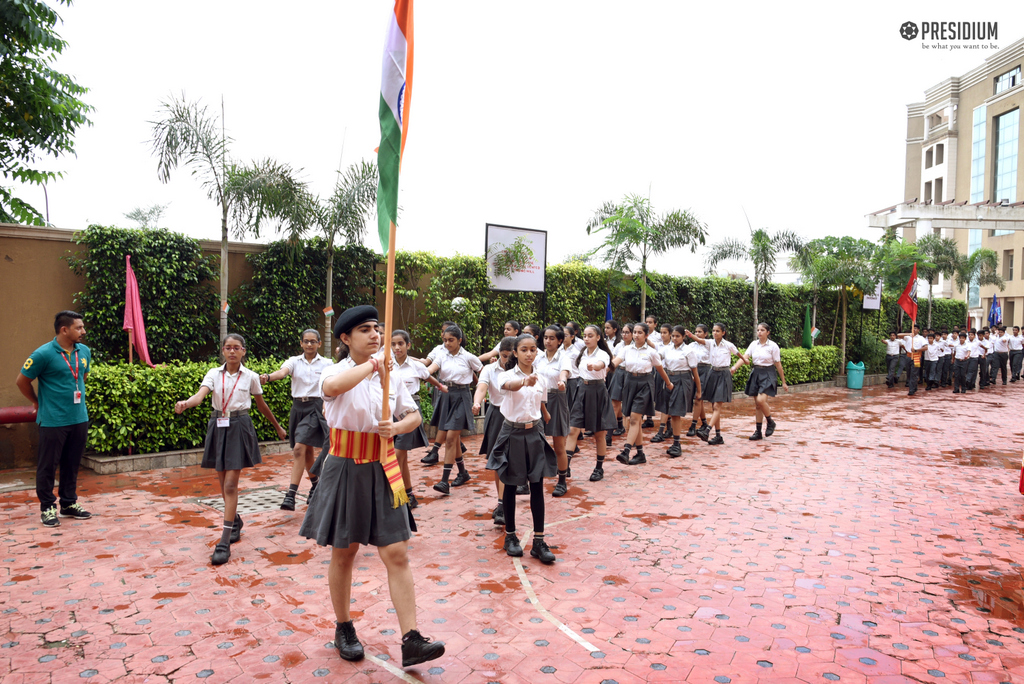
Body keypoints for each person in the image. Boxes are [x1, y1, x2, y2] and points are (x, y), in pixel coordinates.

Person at [299, 305, 445, 668]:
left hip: (383, 466)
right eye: (365, 330)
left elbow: (413, 414)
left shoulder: (391, 376)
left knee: (397, 552)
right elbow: (332, 388)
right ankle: (344, 626)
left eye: (376, 328)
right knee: (344, 552)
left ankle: (411, 639)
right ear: (346, 338)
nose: (375, 334)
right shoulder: (336, 370)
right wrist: (374, 365)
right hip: (344, 466)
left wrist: (397, 428)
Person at [175, 334, 287, 565]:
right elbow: (201, 395)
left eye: (237, 348)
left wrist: (277, 427)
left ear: (244, 351)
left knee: (230, 484)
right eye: (228, 347)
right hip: (218, 425)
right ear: (223, 351)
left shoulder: (252, 377)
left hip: (239, 425)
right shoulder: (213, 374)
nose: (232, 351)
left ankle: (224, 541)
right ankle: (234, 520)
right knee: (222, 481)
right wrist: (186, 403)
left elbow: (261, 405)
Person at [16, 311, 94, 527]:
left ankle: (69, 504)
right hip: (53, 420)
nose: (83, 331)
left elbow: (82, 377)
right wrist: (37, 402)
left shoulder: (84, 351)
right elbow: (22, 381)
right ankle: (48, 507)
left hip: (79, 418)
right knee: (48, 466)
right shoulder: (43, 354)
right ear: (64, 329)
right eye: (79, 328)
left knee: (72, 464)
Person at [486, 333, 558, 564]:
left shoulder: (542, 379)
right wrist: (524, 382)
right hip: (512, 432)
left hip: (534, 432)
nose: (529, 354)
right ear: (515, 353)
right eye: (524, 350)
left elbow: (541, 402)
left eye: (533, 349)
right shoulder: (506, 375)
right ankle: (510, 536)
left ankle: (539, 541)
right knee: (509, 483)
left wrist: (545, 416)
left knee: (537, 484)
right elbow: (509, 386)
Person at [260, 329, 333, 511]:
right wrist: (268, 377)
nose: (309, 344)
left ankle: (290, 495)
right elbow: (282, 372)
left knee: (299, 448)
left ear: (318, 343)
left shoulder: (327, 363)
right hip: (298, 407)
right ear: (301, 343)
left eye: (313, 341)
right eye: (306, 341)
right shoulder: (293, 361)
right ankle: (315, 485)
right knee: (306, 451)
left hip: (316, 407)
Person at [425, 324, 482, 495]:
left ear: (459, 340)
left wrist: (481, 394)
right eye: (445, 340)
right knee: (454, 439)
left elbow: (482, 372)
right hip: (446, 396)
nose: (447, 343)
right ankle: (463, 473)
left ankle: (444, 481)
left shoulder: (469, 357)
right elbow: (430, 370)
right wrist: (418, 372)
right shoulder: (442, 355)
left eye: (451, 340)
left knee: (450, 438)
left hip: (462, 396)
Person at [389, 329, 444, 509]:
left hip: (410, 412)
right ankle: (409, 495)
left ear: (408, 345)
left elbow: (429, 378)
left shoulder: (416, 365)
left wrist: (442, 387)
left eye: (400, 344)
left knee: (397, 456)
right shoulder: (387, 364)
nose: (397, 348)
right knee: (401, 458)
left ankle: (395, 495)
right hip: (391, 411)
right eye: (393, 344)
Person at [610, 322, 673, 465]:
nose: (636, 335)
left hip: (645, 384)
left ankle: (626, 450)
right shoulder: (626, 350)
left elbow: (660, 369)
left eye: (639, 333)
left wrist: (668, 384)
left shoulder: (651, 352)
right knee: (635, 420)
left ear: (646, 335)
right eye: (635, 332)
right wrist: (601, 368)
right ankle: (640, 454)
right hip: (629, 382)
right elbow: (615, 363)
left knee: (634, 418)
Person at [562, 325, 617, 483]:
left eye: (590, 335)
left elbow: (602, 364)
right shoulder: (582, 352)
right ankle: (566, 466)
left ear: (598, 337)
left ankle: (599, 468)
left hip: (598, 391)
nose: (586, 338)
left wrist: (596, 366)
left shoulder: (603, 354)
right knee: (573, 429)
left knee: (599, 433)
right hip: (582, 390)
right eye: (585, 336)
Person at [474, 336, 516, 525]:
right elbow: (482, 387)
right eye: (503, 355)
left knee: (513, 462)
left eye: (509, 356)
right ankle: (501, 503)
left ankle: (505, 501)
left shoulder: (520, 369)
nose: (506, 359)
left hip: (516, 417)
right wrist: (476, 402)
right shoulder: (490, 369)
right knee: (498, 460)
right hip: (497, 415)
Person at [732, 322, 788, 440]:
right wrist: (734, 368)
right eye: (758, 330)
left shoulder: (773, 346)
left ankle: (770, 421)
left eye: (762, 330)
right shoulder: (754, 344)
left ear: (768, 332)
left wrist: (783, 382)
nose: (759, 332)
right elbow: (745, 357)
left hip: (768, 373)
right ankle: (758, 432)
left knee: (761, 400)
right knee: (758, 405)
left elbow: (778, 364)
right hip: (756, 373)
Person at [419, 321, 464, 465]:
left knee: (447, 422)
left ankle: (435, 451)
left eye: (450, 338)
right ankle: (461, 468)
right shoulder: (439, 350)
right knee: (445, 421)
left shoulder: (462, 354)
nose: (445, 338)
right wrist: (409, 360)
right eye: (443, 334)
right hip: (440, 385)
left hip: (455, 390)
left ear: (458, 339)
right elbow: (427, 364)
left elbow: (475, 372)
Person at [687, 322, 738, 445]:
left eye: (718, 331)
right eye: (714, 331)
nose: (715, 333)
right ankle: (718, 435)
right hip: (713, 373)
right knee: (714, 406)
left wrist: (740, 364)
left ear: (723, 333)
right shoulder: (710, 343)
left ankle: (707, 430)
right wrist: (689, 335)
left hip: (723, 374)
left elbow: (739, 354)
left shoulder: (728, 345)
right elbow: (697, 340)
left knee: (716, 406)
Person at [537, 326, 569, 495]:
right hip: (537, 399)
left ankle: (562, 481)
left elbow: (564, 372)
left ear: (559, 341)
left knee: (558, 444)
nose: (548, 341)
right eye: (545, 338)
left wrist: (562, 381)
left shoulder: (564, 357)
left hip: (557, 398)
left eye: (551, 338)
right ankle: (530, 480)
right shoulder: (537, 357)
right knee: (535, 442)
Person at [661, 326, 702, 457]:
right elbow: (656, 357)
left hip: (683, 379)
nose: (674, 338)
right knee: (669, 410)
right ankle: (675, 441)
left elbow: (695, 372)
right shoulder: (667, 349)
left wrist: (699, 391)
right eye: (673, 336)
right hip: (669, 379)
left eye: (677, 336)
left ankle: (677, 444)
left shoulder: (688, 350)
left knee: (675, 412)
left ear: (684, 337)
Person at [649, 324, 674, 445]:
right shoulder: (659, 346)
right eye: (661, 333)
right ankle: (669, 429)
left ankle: (661, 431)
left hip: (669, 374)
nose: (662, 335)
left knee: (666, 402)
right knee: (662, 401)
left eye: (665, 333)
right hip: (659, 374)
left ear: (670, 334)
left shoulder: (673, 347)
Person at [686, 324, 712, 437]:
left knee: (698, 398)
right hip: (694, 370)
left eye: (700, 332)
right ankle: (704, 423)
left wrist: (691, 335)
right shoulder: (691, 345)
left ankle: (693, 425)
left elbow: (698, 340)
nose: (697, 334)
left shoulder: (709, 344)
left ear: (705, 334)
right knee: (698, 399)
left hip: (705, 370)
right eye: (696, 331)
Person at [607, 323, 632, 441]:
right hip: (618, 372)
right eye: (623, 332)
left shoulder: (635, 346)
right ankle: (611, 431)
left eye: (627, 332)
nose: (625, 335)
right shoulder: (619, 346)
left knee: (629, 403)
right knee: (614, 401)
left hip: (630, 374)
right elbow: (613, 360)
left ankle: (629, 428)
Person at [897, 325, 927, 395]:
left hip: (917, 356)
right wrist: (908, 334)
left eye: (916, 328)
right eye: (913, 329)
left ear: (918, 330)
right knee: (909, 372)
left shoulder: (921, 338)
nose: (914, 330)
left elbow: (926, 347)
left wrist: (917, 350)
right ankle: (914, 386)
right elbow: (898, 335)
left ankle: (911, 389)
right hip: (908, 356)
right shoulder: (908, 337)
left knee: (914, 373)